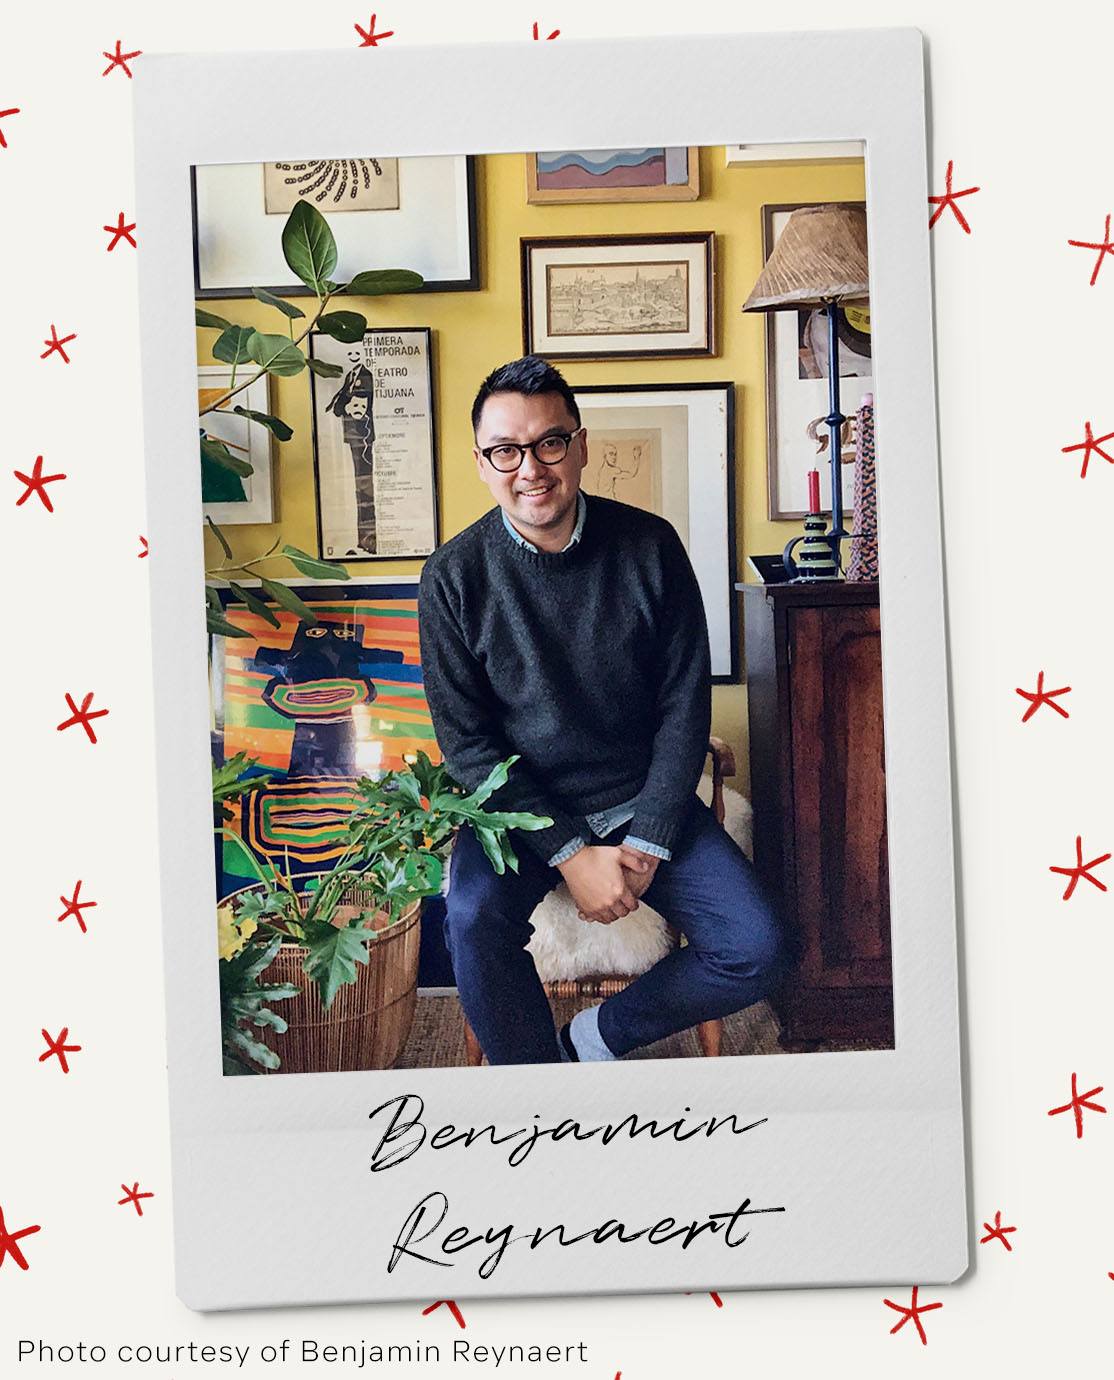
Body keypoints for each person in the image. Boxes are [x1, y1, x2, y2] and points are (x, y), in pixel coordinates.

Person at [417, 355, 782, 1065]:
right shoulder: (452, 578)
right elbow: (469, 748)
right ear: (482, 462)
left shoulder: (651, 547)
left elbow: (684, 707)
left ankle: (591, 1042)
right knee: (470, 921)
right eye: (506, 451)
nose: (531, 469)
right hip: (523, 811)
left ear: (581, 447)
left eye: (550, 443)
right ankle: (539, 1091)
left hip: (641, 796)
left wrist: (646, 840)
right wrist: (568, 853)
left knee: (756, 948)